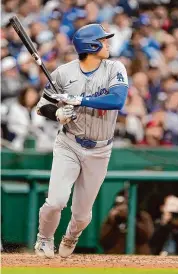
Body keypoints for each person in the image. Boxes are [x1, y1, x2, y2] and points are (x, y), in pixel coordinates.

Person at [35, 23, 128, 258]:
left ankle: (71, 235)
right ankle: (44, 239)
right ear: (91, 45)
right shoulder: (63, 73)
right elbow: (42, 106)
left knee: (82, 215)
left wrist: (79, 100)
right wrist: (57, 114)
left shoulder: (115, 67)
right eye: (103, 40)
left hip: (100, 149)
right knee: (55, 201)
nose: (107, 44)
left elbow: (117, 100)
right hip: (69, 143)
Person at [99, 189, 154, 254]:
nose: (121, 208)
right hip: (115, 258)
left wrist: (131, 220)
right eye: (118, 204)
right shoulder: (111, 217)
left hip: (138, 256)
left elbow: (146, 237)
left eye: (124, 204)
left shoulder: (142, 216)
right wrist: (113, 222)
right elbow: (104, 242)